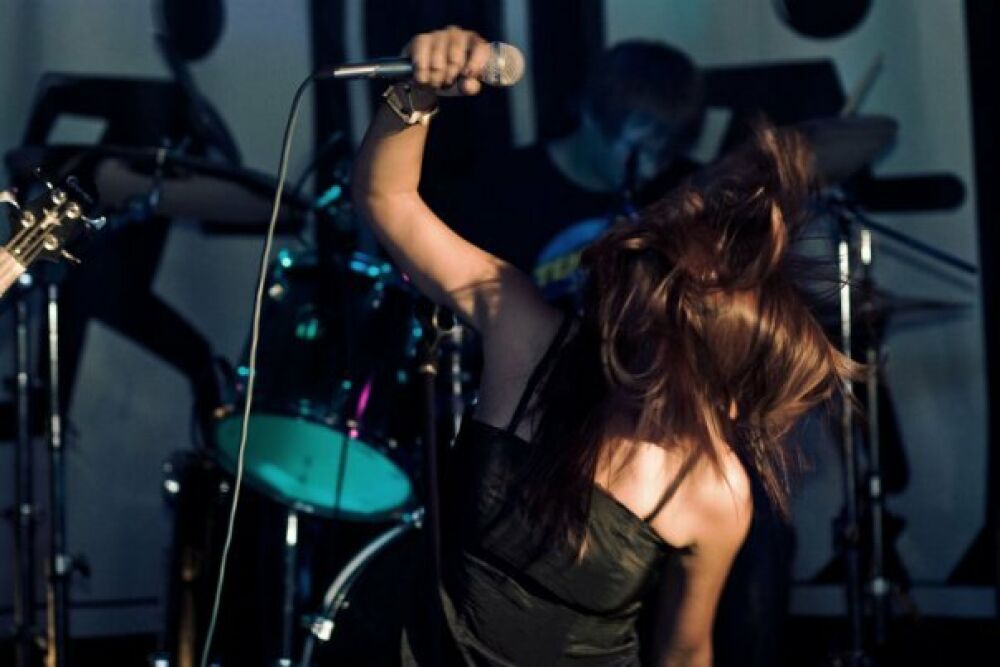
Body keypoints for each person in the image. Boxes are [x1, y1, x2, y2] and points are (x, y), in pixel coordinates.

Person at [353, 26, 855, 667]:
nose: (728, 417)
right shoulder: (531, 340)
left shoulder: (714, 487)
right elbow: (388, 200)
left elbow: (684, 654)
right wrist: (415, 94)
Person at [424, 37, 704, 306]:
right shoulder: (497, 192)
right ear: (591, 115)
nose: (650, 168)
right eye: (637, 150)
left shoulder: (683, 187)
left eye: (665, 154)